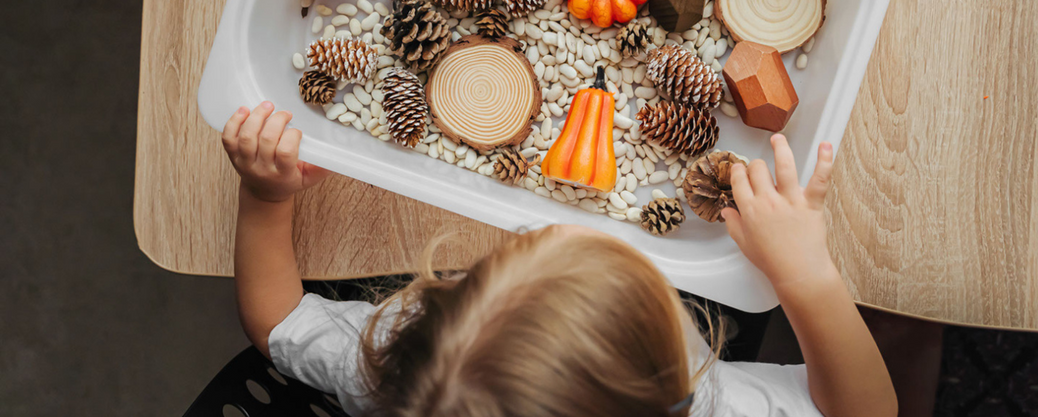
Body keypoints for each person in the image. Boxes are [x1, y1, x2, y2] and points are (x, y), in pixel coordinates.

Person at [222, 102, 897, 417]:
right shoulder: (712, 408)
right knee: (910, 316)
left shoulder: (402, 380)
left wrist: (265, 196)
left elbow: (277, 321)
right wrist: (805, 273)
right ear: (672, 374)